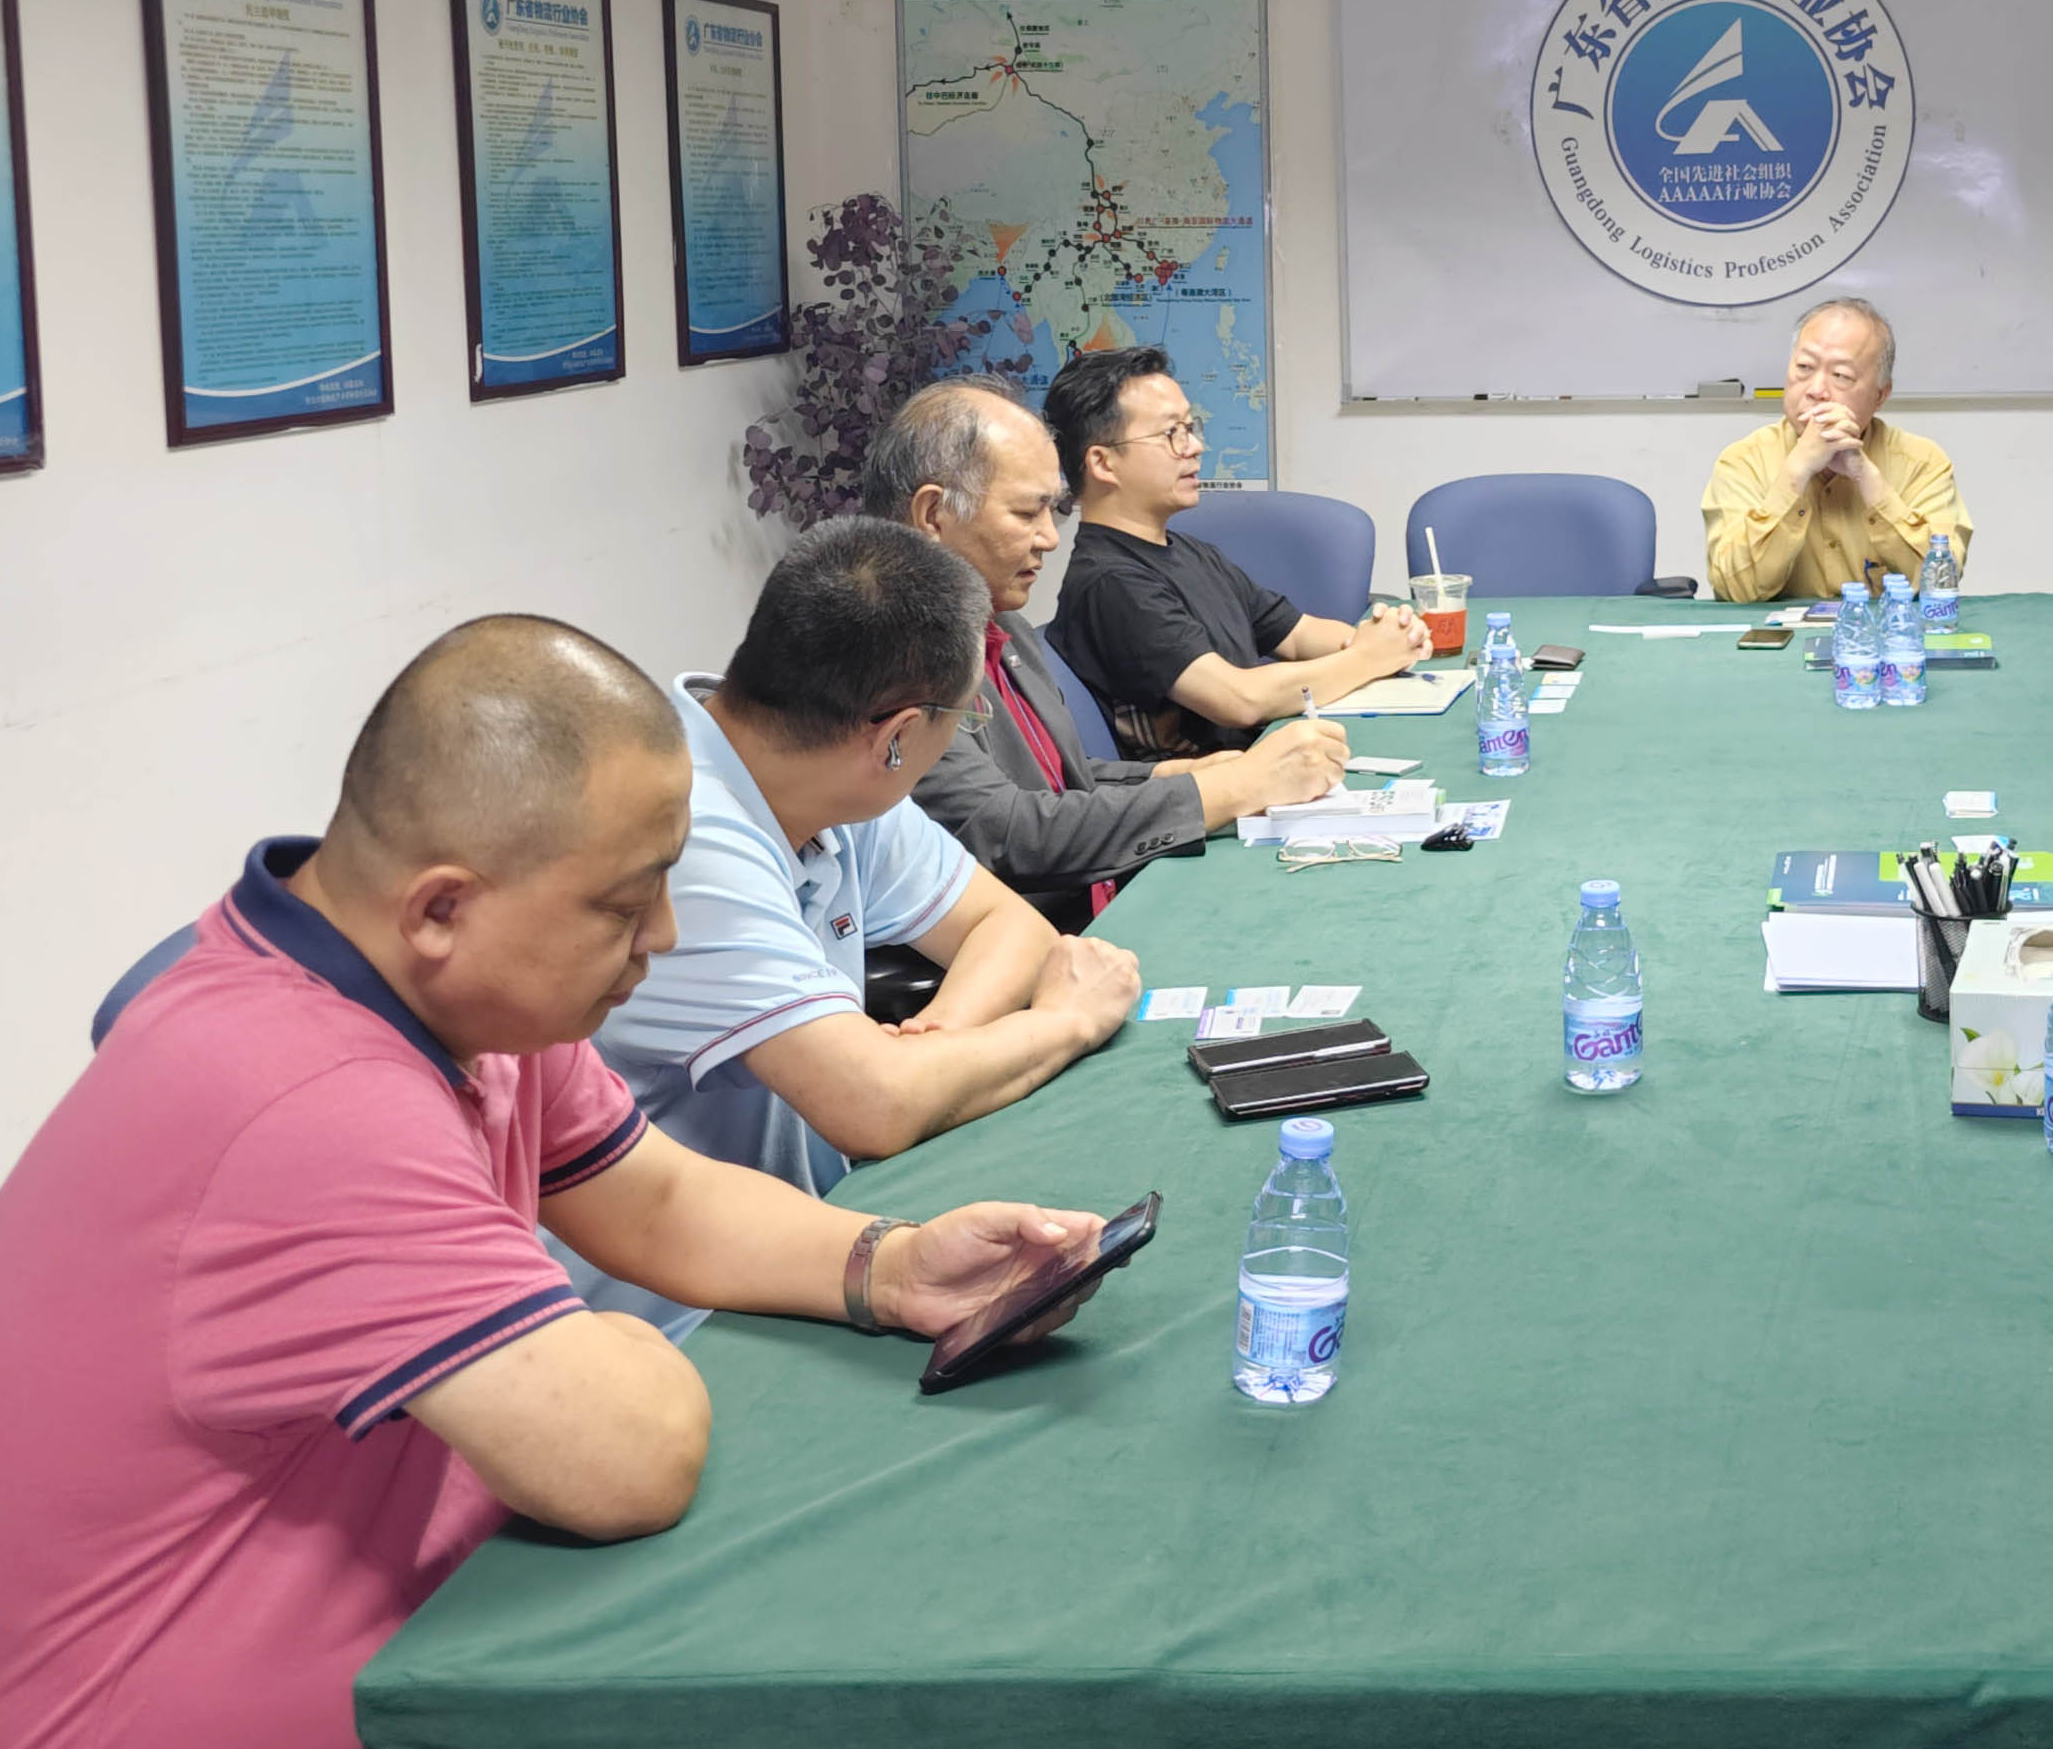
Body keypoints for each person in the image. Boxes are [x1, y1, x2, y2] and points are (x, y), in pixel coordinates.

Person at [0, 617, 1120, 1749]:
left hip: (378, 1643)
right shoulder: (306, 1101)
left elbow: (657, 1201)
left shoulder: (456, 1000)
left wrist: (890, 1265)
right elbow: (627, 1459)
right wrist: (616, 1341)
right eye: (624, 904)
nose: (662, 934)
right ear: (440, 909)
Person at [578, 515, 1143, 1330]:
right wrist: (1067, 1020)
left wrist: (932, 1047)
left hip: (794, 1253)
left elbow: (1006, 925)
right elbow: (874, 1108)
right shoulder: (683, 831)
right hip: (681, 1321)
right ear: (900, 737)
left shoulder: (819, 771)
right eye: (966, 718)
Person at [869, 377, 1347, 923]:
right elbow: (1006, 831)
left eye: (1051, 512)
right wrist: (1229, 789)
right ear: (934, 515)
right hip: (1036, 935)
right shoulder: (890, 658)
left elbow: (1056, 779)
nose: (1050, 537)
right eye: (1026, 514)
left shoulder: (1001, 625)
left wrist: (1175, 777)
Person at [1044, 344, 1431, 760]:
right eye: (1171, 433)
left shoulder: (1189, 551)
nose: (1195, 446)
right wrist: (1368, 657)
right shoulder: (1111, 582)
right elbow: (1239, 699)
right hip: (1218, 789)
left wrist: (1388, 637)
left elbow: (1297, 636)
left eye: (1191, 427)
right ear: (1103, 463)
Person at [1700, 295, 1973, 603]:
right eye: (1804, 367)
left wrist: (1867, 478)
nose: (1816, 390)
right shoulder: (1742, 461)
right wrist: (1795, 473)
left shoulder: (1922, 462)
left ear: (1880, 395)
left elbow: (1941, 582)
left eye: (1841, 375)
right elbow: (1735, 588)